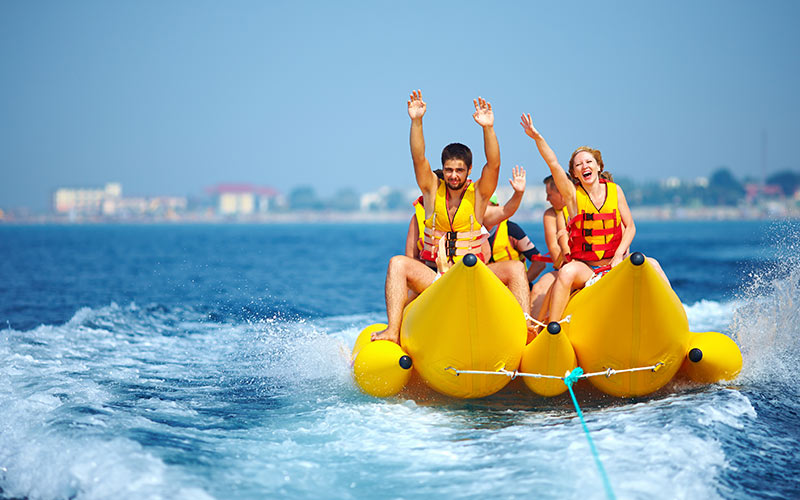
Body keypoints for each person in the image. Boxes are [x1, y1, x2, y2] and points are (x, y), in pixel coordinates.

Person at [372, 91, 529, 344]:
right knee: (397, 263)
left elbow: (495, 164)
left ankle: (524, 331)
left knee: (516, 268)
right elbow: (418, 157)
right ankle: (393, 331)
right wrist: (416, 121)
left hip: (473, 275)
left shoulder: (478, 194)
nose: (453, 175)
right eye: (448, 170)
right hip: (437, 278)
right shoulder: (433, 190)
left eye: (459, 170)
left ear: (468, 171)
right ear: (442, 170)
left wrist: (488, 128)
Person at [520, 112, 636, 323]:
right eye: (578, 164)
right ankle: (553, 330)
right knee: (565, 273)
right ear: (574, 174)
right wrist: (538, 138)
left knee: (652, 265)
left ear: (599, 166)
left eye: (589, 162)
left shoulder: (616, 191)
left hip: (615, 262)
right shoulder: (572, 196)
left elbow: (630, 227)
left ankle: (678, 326)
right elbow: (553, 164)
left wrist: (619, 255)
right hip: (588, 267)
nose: (584, 166)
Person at [483, 167, 546, 284]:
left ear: (497, 207)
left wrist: (521, 283)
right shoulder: (472, 232)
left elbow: (540, 262)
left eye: (488, 207)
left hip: (514, 286)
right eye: (480, 208)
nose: (485, 212)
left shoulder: (511, 229)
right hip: (489, 289)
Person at [528, 175, 570, 322]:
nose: (547, 199)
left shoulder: (583, 206)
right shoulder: (551, 214)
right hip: (564, 268)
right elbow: (554, 248)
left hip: (588, 266)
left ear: (561, 193)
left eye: (549, 195)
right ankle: (533, 332)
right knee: (539, 289)